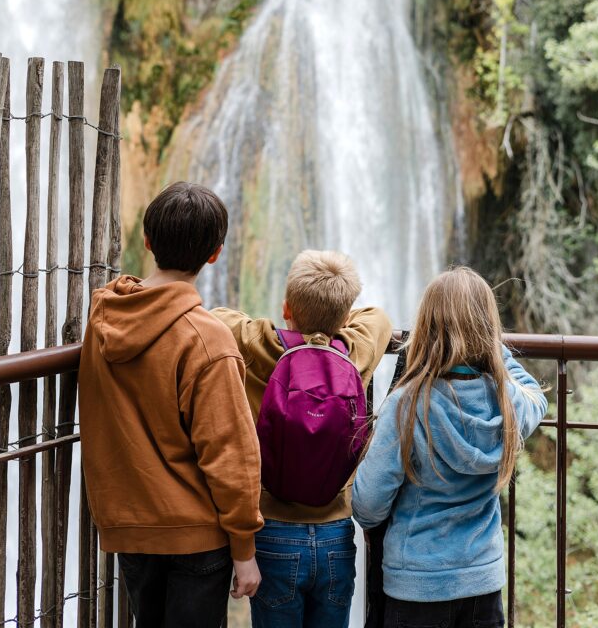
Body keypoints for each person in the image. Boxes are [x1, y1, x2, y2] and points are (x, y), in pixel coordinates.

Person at [78, 181, 264, 628]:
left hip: (131, 530)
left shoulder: (103, 318)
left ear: (147, 241)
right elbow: (230, 454)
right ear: (215, 253)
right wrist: (244, 549)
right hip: (195, 539)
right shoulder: (206, 339)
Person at [352, 266, 548, 628]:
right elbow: (536, 394)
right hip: (482, 585)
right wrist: (495, 351)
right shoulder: (509, 403)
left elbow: (367, 506)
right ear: (488, 330)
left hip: (415, 586)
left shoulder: (407, 405)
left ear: (426, 327)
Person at [213, 249, 393, 628]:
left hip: (273, 532)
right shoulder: (354, 352)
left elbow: (218, 318)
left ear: (286, 307)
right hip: (335, 534)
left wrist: (277, 326)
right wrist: (333, 323)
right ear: (344, 318)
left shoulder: (259, 344)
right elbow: (378, 318)